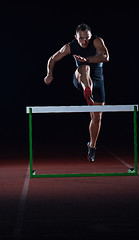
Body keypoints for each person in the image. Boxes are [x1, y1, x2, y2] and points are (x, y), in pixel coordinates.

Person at [44, 23, 109, 163]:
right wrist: (49, 74)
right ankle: (87, 90)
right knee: (84, 68)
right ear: (76, 37)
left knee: (97, 118)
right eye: (81, 38)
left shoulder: (97, 41)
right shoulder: (70, 46)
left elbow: (105, 56)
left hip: (98, 81)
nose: (84, 41)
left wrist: (88, 59)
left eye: (87, 38)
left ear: (91, 36)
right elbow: (52, 59)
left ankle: (92, 146)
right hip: (80, 77)